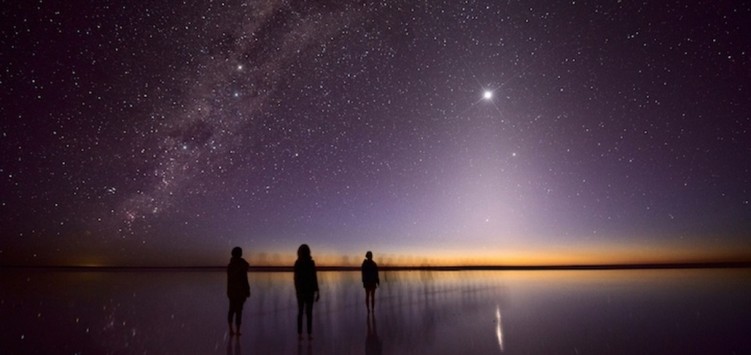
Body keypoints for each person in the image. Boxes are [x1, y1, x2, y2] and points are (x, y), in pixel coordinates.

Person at [294, 244, 320, 340]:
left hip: (303, 291)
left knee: (301, 312)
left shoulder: (298, 262)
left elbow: (296, 279)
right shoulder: (309, 263)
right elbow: (314, 278)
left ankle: (301, 334)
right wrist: (317, 291)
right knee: (308, 313)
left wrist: (297, 290)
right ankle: (308, 334)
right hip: (308, 291)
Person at [227, 246, 251, 336]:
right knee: (238, 311)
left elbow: (230, 280)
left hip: (232, 292)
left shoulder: (230, 265)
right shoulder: (241, 265)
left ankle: (231, 330)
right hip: (239, 292)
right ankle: (236, 331)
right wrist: (247, 290)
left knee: (232, 310)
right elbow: (244, 279)